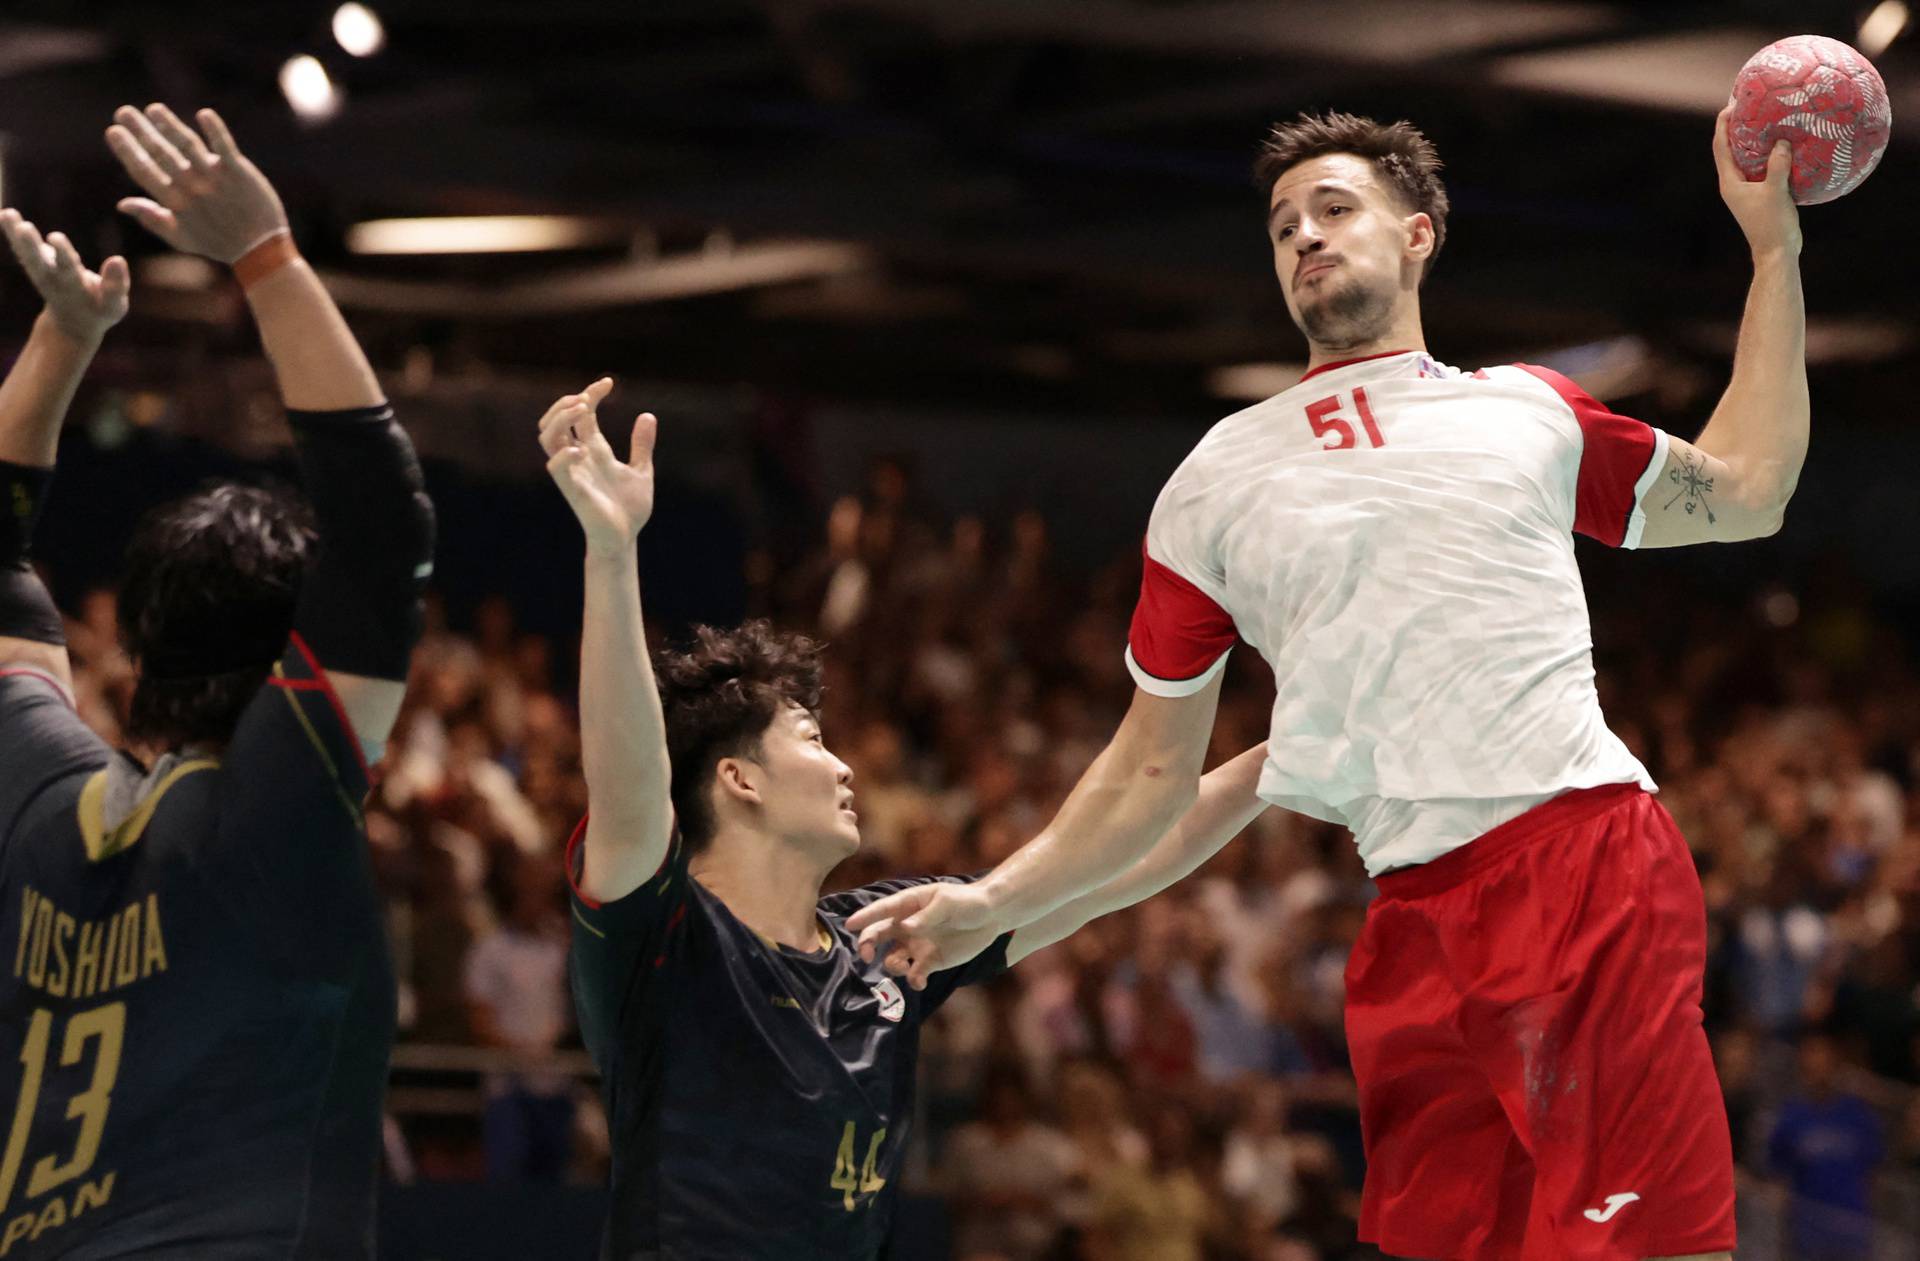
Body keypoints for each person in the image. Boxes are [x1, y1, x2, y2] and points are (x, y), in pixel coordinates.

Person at [851, 106, 1811, 1261]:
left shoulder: (1526, 410)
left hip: (1579, 865)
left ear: (1418, 235)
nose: (1304, 235)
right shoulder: (1214, 480)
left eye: (1336, 209)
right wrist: (993, 902)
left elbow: (1750, 489)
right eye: (1282, 225)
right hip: (1409, 911)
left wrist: (1774, 252)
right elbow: (1153, 773)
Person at [535, 378, 1270, 1259]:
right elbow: (624, 778)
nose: (843, 764)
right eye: (811, 738)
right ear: (737, 778)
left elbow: (1129, 860)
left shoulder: (891, 939)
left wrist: (1297, 744)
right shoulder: (663, 938)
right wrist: (611, 554)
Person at [0, 104, 432, 1257]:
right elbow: (384, 534)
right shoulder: (280, 808)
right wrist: (268, 255)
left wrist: (60, 342)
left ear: (140, 644)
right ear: (293, 660)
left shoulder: (42, 805)